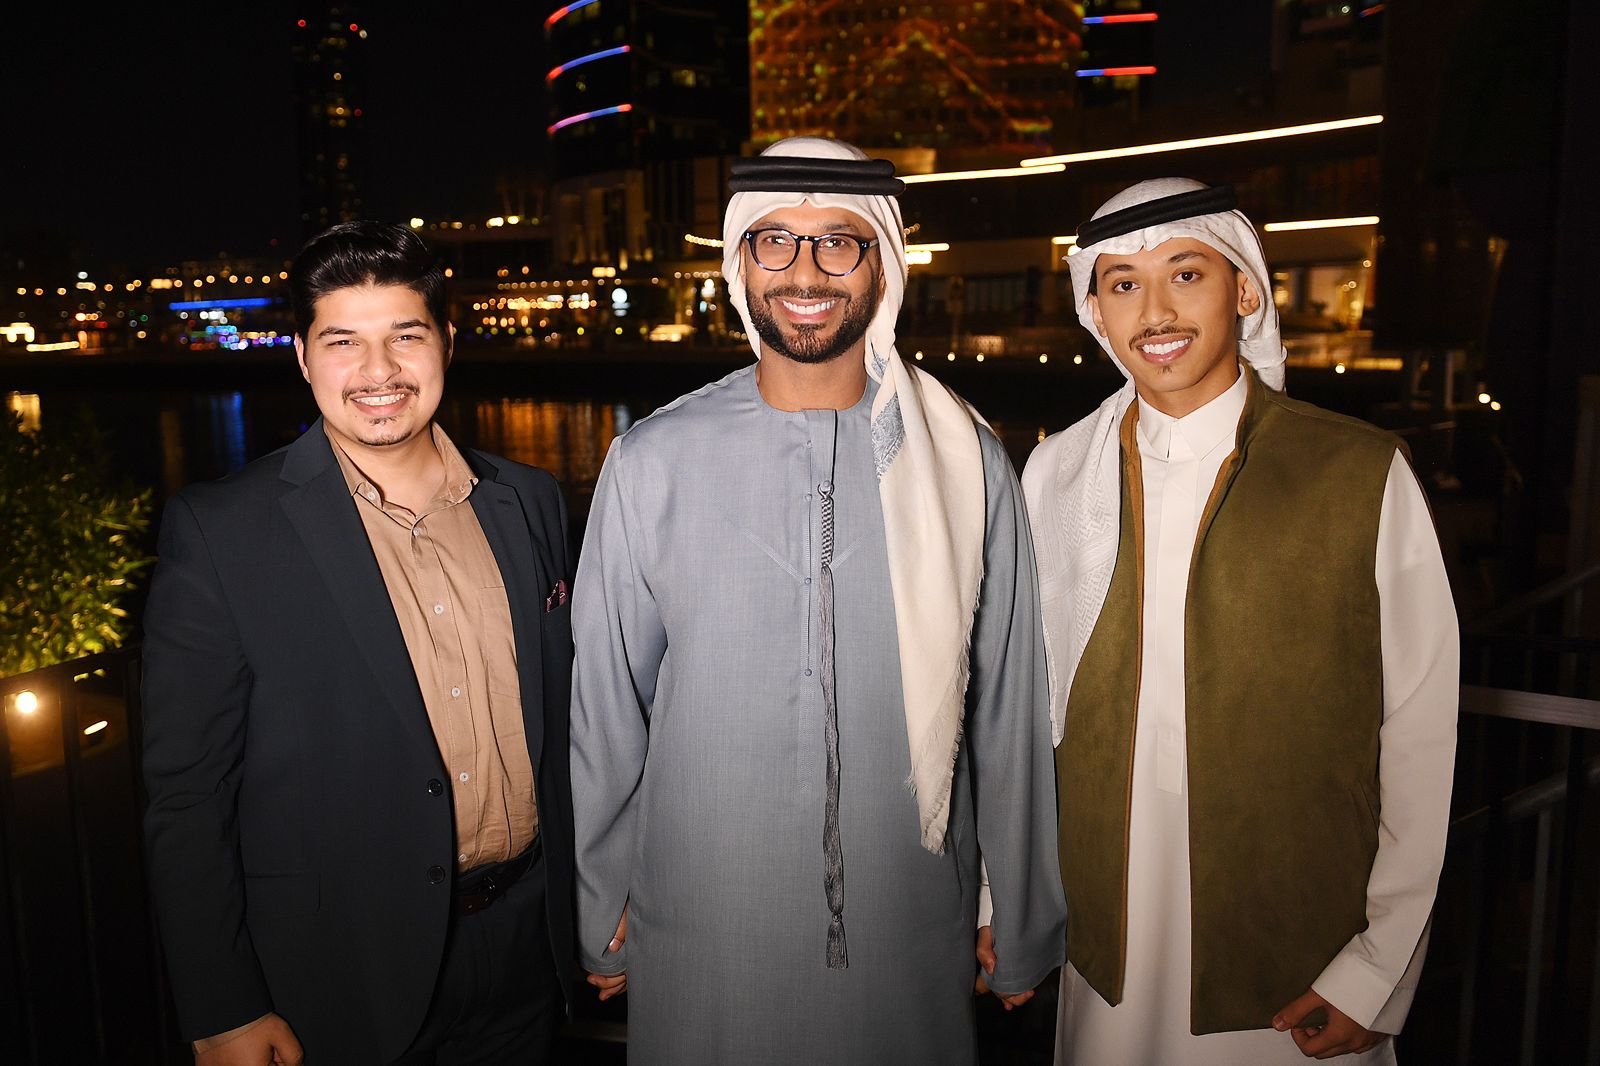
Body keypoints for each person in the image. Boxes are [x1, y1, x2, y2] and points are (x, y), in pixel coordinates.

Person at [568, 137, 1066, 1063]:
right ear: (739, 262)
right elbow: (606, 710)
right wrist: (603, 901)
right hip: (700, 923)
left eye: (839, 242)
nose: (805, 272)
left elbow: (1008, 709)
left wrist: (1020, 908)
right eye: (775, 241)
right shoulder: (652, 460)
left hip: (912, 924)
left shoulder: (962, 458)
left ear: (883, 264)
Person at [1022, 178, 1459, 1063]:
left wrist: (1377, 970)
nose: (1155, 311)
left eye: (1186, 274)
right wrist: (1008, 897)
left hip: (1297, 956)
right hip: (1103, 943)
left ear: (1246, 290)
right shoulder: (1056, 473)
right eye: (1123, 284)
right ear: (1096, 313)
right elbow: (1021, 709)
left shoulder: (1358, 472)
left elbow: (1419, 733)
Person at [141, 221, 575, 1065]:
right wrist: (223, 1007)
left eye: (405, 336)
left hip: (529, 943)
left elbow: (569, 725)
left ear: (447, 342)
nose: (379, 372)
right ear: (303, 358)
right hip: (339, 969)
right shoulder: (223, 530)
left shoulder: (528, 499)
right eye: (343, 342)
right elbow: (187, 792)